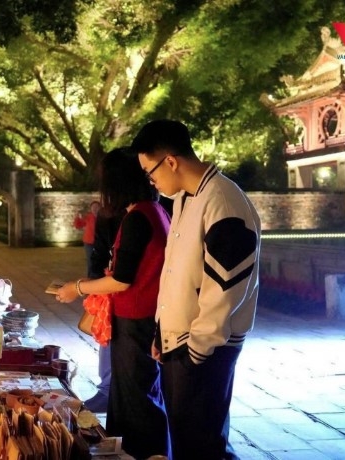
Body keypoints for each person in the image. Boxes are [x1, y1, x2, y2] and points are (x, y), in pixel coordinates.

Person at [132, 119, 262, 459]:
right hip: (182, 342)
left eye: (151, 172)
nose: (152, 181)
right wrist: (164, 331)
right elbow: (179, 273)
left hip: (204, 348)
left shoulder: (223, 202)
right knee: (189, 441)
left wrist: (196, 353)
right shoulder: (188, 199)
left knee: (202, 445)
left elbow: (224, 290)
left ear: (171, 161)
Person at [57, 148, 171, 459]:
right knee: (131, 398)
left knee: (137, 403)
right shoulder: (153, 211)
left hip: (137, 320)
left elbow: (122, 279)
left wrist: (76, 288)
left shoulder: (139, 217)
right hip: (141, 318)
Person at [82, 209, 123, 413]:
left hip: (126, 293)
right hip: (108, 288)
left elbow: (122, 277)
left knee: (111, 339)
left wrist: (79, 288)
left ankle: (108, 392)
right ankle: (106, 390)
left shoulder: (143, 214)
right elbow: (99, 253)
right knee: (105, 337)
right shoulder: (107, 215)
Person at [74, 200, 101, 277]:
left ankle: (98, 275)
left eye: (97, 207)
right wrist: (77, 218)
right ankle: (91, 276)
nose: (95, 209)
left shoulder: (102, 217)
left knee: (99, 259)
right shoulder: (88, 217)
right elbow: (78, 225)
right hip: (89, 242)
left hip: (99, 242)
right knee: (90, 259)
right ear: (91, 208)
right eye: (93, 207)